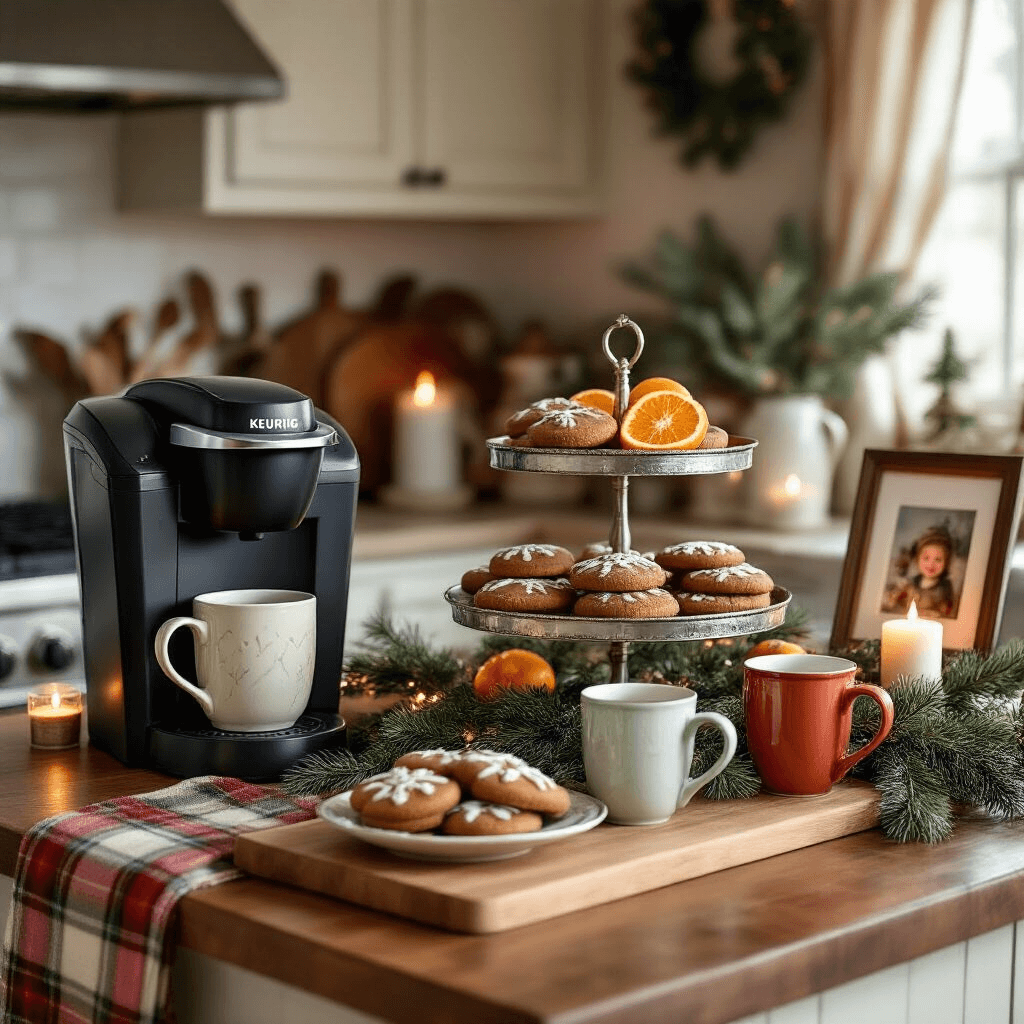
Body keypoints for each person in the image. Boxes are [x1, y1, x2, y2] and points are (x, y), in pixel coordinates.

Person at [883, 525, 956, 619]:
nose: (931, 564)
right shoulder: (911, 583)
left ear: (946, 563)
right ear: (917, 560)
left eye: (938, 560)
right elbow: (899, 601)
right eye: (926, 558)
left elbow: (946, 612)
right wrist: (895, 596)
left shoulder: (945, 587)